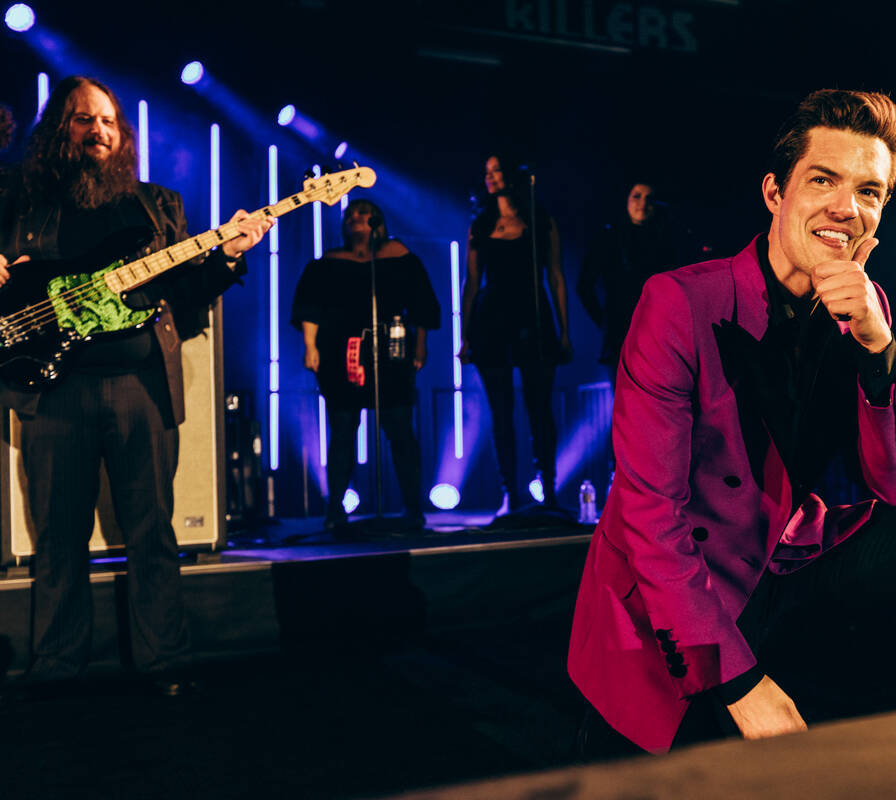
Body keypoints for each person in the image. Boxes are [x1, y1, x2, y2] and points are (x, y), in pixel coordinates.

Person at [567, 89, 896, 754]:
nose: (846, 207)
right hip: (678, 598)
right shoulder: (679, 301)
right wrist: (741, 684)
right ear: (773, 193)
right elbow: (650, 517)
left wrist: (879, 350)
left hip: (786, 562)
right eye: (824, 180)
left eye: (869, 191)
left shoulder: (866, 305)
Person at [0, 76, 272, 691]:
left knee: (152, 531)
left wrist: (228, 257)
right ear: (57, 131)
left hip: (140, 387)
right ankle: (57, 667)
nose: (99, 131)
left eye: (109, 122)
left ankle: (163, 662)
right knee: (58, 538)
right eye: (82, 120)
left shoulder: (156, 205)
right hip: (52, 390)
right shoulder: (20, 197)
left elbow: (187, 293)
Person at [290, 199, 440, 533]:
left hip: (391, 349)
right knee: (342, 431)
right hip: (341, 352)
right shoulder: (326, 263)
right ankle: (335, 510)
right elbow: (310, 306)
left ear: (378, 220)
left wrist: (420, 345)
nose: (356, 218)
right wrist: (310, 346)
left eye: (362, 213)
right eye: (350, 215)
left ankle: (413, 509)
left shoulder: (400, 258)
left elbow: (420, 304)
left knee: (400, 430)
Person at [460, 153, 571, 513]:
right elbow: (471, 282)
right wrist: (464, 336)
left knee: (540, 410)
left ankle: (549, 490)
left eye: (496, 170)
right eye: (486, 172)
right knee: (501, 412)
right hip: (491, 321)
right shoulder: (481, 223)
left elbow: (555, 275)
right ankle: (510, 492)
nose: (490, 177)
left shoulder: (540, 221)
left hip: (533, 316)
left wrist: (565, 330)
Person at [577, 180, 678, 384]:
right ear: (625, 200)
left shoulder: (666, 240)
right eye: (637, 196)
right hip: (619, 335)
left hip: (659, 335)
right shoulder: (608, 237)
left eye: (649, 198)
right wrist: (604, 322)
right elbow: (583, 286)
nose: (643, 203)